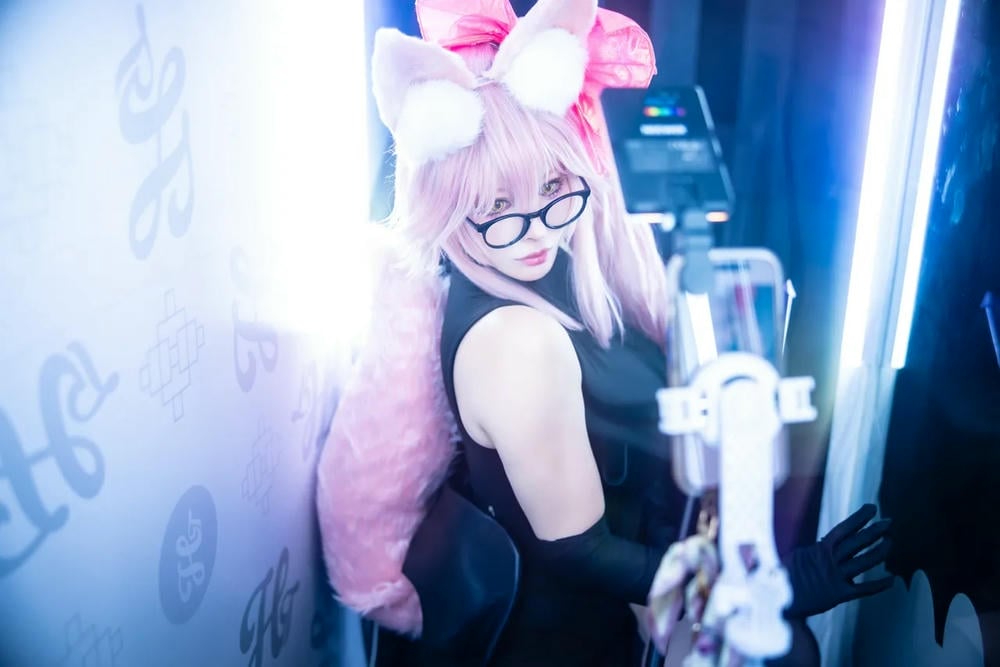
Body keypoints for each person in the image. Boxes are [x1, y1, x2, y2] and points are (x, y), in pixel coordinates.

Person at [317, 0, 895, 665]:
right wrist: (778, 583)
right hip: (568, 641)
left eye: (552, 185)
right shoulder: (513, 342)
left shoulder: (549, 266)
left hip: (627, 604)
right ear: (447, 202)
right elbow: (580, 551)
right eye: (496, 206)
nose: (536, 229)